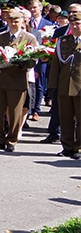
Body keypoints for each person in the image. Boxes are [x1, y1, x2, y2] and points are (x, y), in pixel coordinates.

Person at [0, 8, 38, 153]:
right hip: (0, 78)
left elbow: (33, 59)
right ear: (7, 21)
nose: (13, 24)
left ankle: (12, 140)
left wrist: (21, 63)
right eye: (11, 21)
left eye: (16, 21)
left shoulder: (29, 38)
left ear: (22, 21)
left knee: (15, 112)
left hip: (17, 79)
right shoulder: (0, 36)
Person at [48, 11, 81, 159]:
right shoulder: (63, 41)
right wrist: (52, 86)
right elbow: (56, 66)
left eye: (78, 23)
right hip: (64, 85)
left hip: (80, 87)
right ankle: (67, 147)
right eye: (72, 24)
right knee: (65, 118)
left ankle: (78, 147)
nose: (74, 26)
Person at [28, 0, 55, 121]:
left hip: (42, 58)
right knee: (29, 84)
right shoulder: (26, 23)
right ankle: (28, 108)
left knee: (39, 85)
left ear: (41, 8)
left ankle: (36, 110)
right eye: (31, 8)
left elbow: (51, 43)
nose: (33, 10)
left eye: (35, 7)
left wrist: (46, 54)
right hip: (28, 57)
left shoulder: (48, 24)